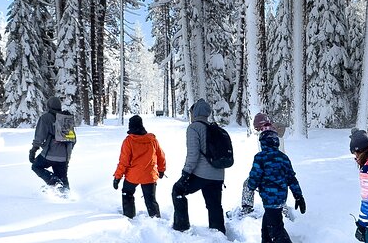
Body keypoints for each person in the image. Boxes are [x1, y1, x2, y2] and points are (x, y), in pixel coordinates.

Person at [246, 130, 305, 243]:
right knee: (268, 222)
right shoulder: (283, 158)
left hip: (269, 198)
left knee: (276, 228)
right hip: (280, 198)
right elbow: (291, 178)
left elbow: (254, 176)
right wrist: (298, 195)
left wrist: (250, 186)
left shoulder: (260, 157)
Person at [172, 99, 226, 234]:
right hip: (218, 174)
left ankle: (181, 227)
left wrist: (185, 174)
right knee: (214, 205)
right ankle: (219, 234)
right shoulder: (215, 128)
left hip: (201, 174)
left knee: (177, 191)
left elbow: (193, 154)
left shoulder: (194, 127)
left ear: (195, 112)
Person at [235, 112, 291, 218]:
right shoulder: (272, 132)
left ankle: (247, 208)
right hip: (280, 169)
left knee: (248, 184)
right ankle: (282, 207)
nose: (256, 130)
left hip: (271, 169)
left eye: (257, 127)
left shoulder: (269, 135)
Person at [113, 115, 166, 218]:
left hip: (133, 176)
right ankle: (156, 220)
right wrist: (161, 169)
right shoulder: (152, 140)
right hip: (149, 176)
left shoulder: (128, 141)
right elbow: (161, 155)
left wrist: (117, 177)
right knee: (150, 200)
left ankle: (129, 216)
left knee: (127, 193)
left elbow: (123, 162)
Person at [29, 96, 74, 192]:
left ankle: (53, 181)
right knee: (63, 179)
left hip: (49, 155)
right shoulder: (66, 118)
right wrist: (67, 154)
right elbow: (73, 140)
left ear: (49, 106)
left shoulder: (45, 118)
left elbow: (39, 137)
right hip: (64, 156)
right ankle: (67, 197)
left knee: (36, 166)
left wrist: (33, 150)